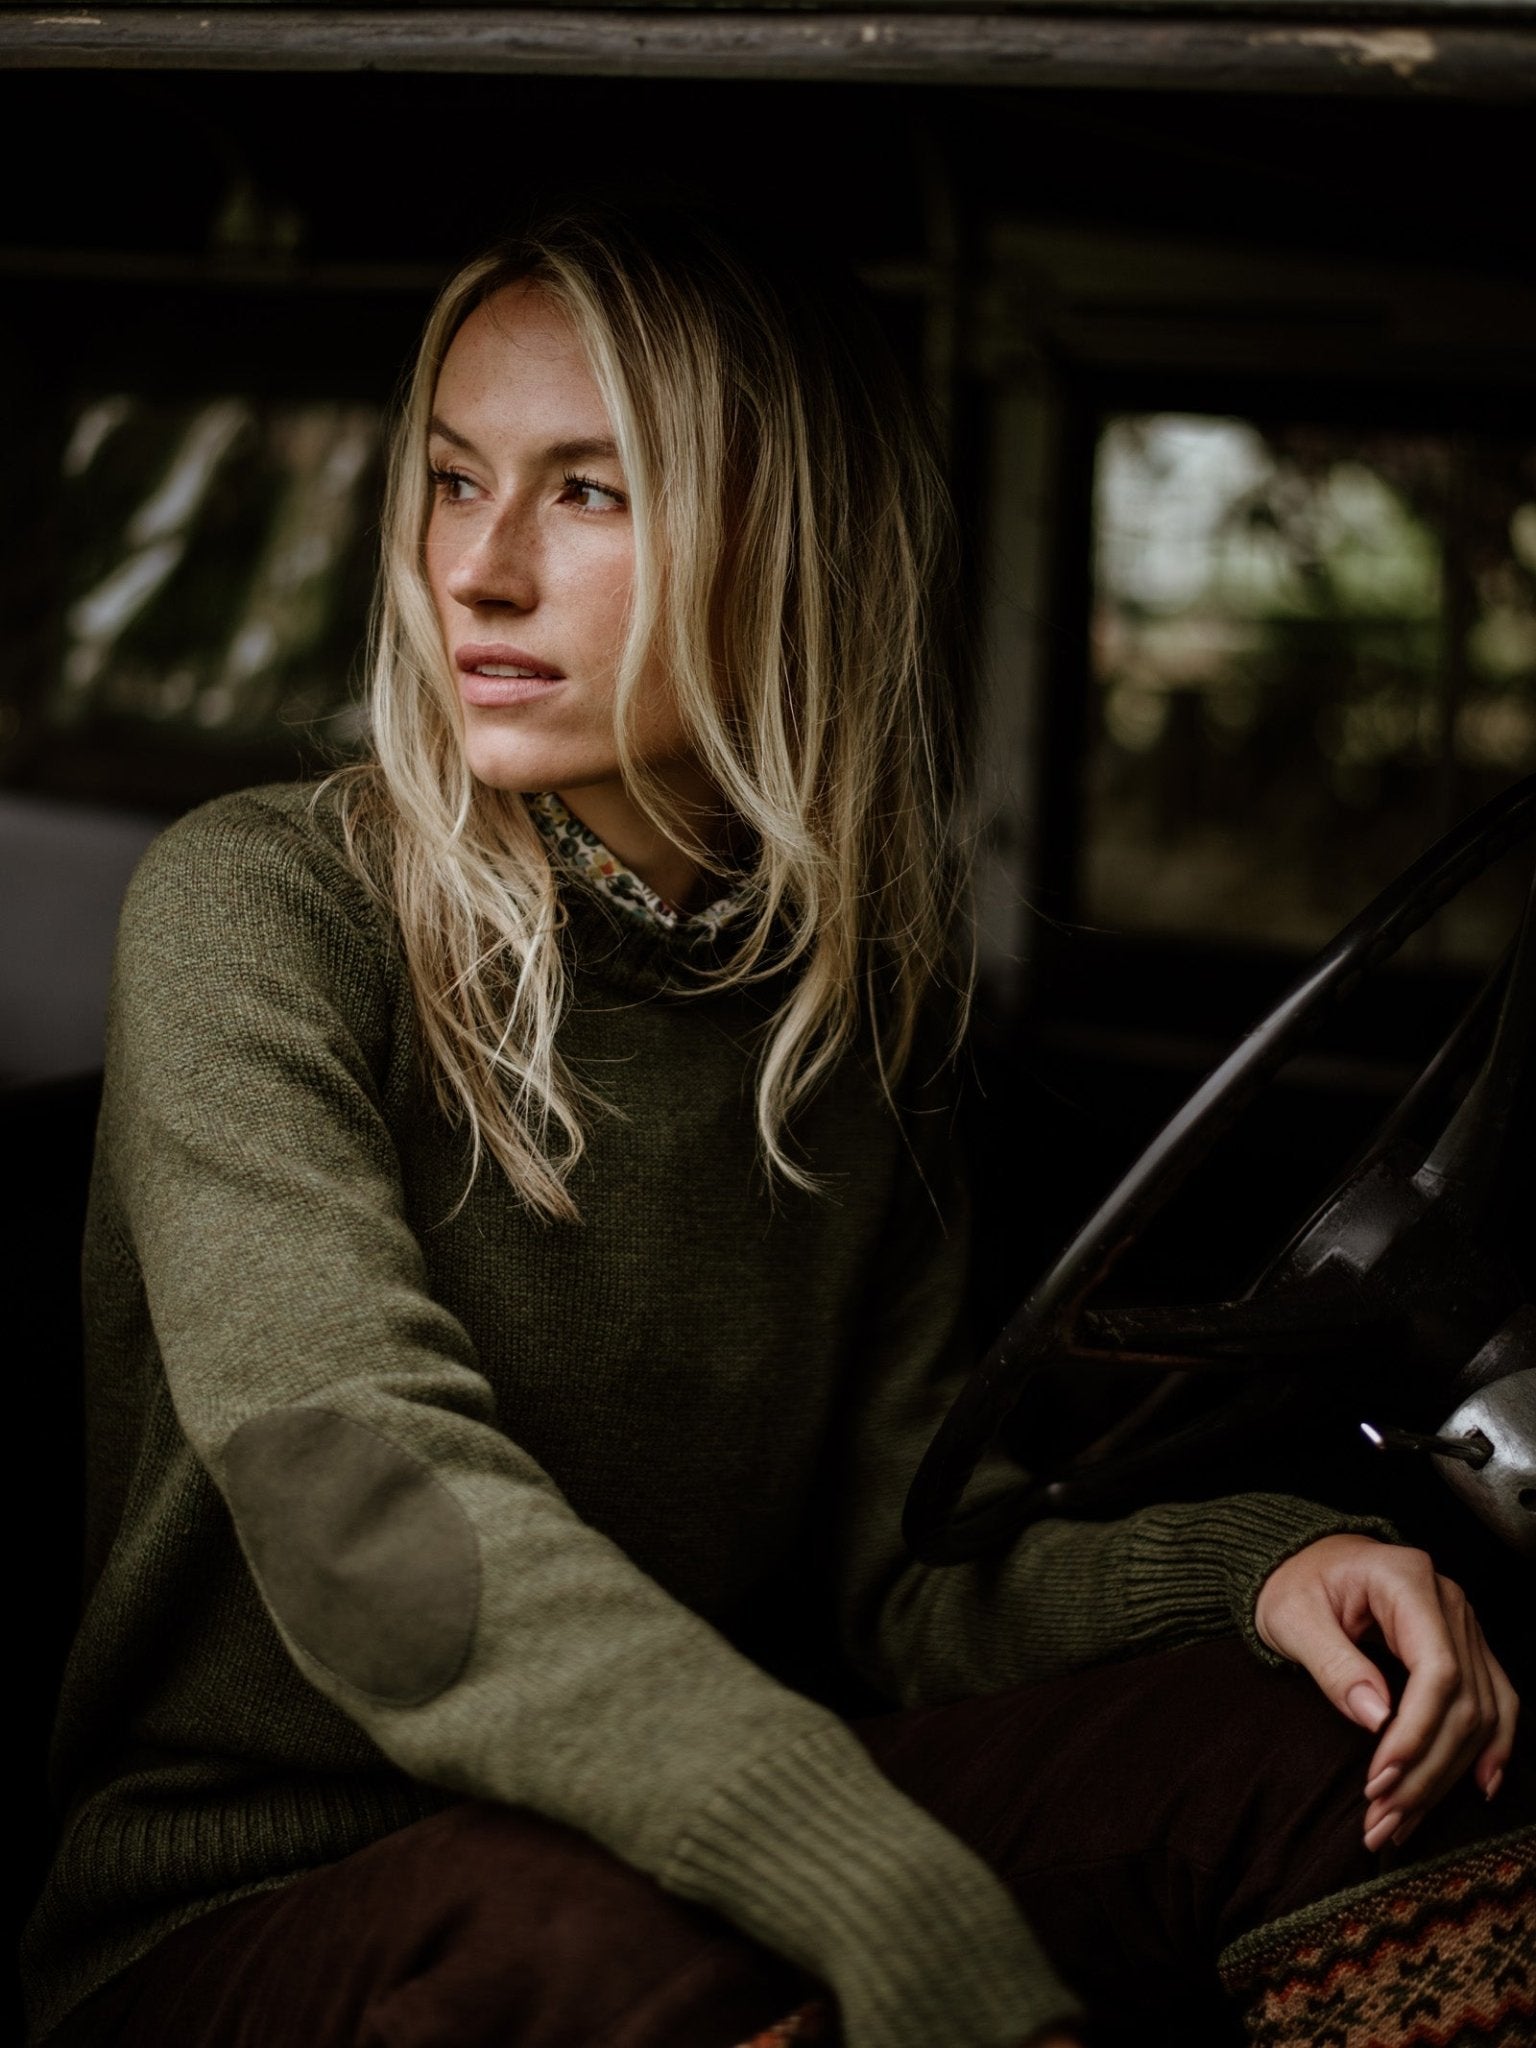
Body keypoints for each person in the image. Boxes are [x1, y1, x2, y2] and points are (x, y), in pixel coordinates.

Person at [24, 208, 1523, 2048]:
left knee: (1357, 1760)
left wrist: (1262, 1567)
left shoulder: (844, 1020)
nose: (477, 571)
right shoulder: (263, 910)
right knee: (618, 1951)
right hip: (255, 1920)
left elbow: (898, 1573)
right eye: (450, 480)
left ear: (788, 553)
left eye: (589, 494)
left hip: (676, 1831)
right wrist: (836, 1861)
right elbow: (364, 1507)